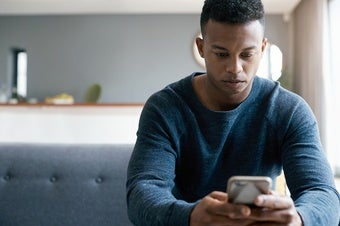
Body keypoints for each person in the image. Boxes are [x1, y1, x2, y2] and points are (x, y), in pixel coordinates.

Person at [126, 0, 340, 225]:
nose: (235, 68)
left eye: (247, 54)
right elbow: (142, 194)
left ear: (263, 48)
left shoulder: (289, 110)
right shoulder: (164, 109)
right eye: (221, 54)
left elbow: (322, 193)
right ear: (201, 48)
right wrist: (190, 217)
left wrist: (299, 219)